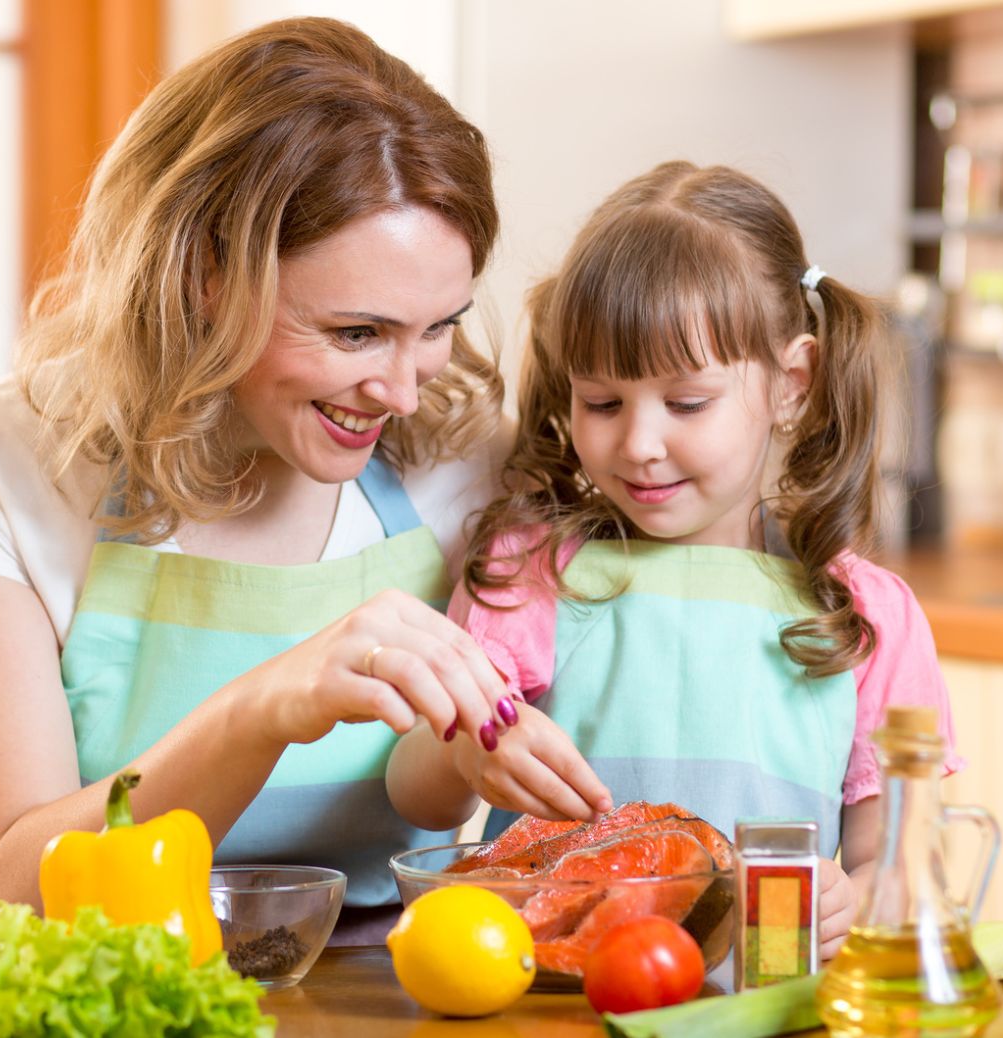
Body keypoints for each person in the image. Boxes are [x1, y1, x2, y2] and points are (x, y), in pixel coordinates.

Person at [0, 17, 519, 1001]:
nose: (402, 390)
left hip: (372, 984)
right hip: (60, 986)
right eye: (355, 333)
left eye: (440, 327)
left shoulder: (464, 452)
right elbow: (15, 882)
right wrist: (265, 708)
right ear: (201, 280)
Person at [385, 161, 964, 960]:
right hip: (553, 998)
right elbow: (410, 788)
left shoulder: (868, 618)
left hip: (761, 1001)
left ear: (791, 383)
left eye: (687, 403)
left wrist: (854, 900)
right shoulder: (532, 572)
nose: (640, 444)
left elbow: (898, 855)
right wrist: (460, 748)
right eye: (602, 402)